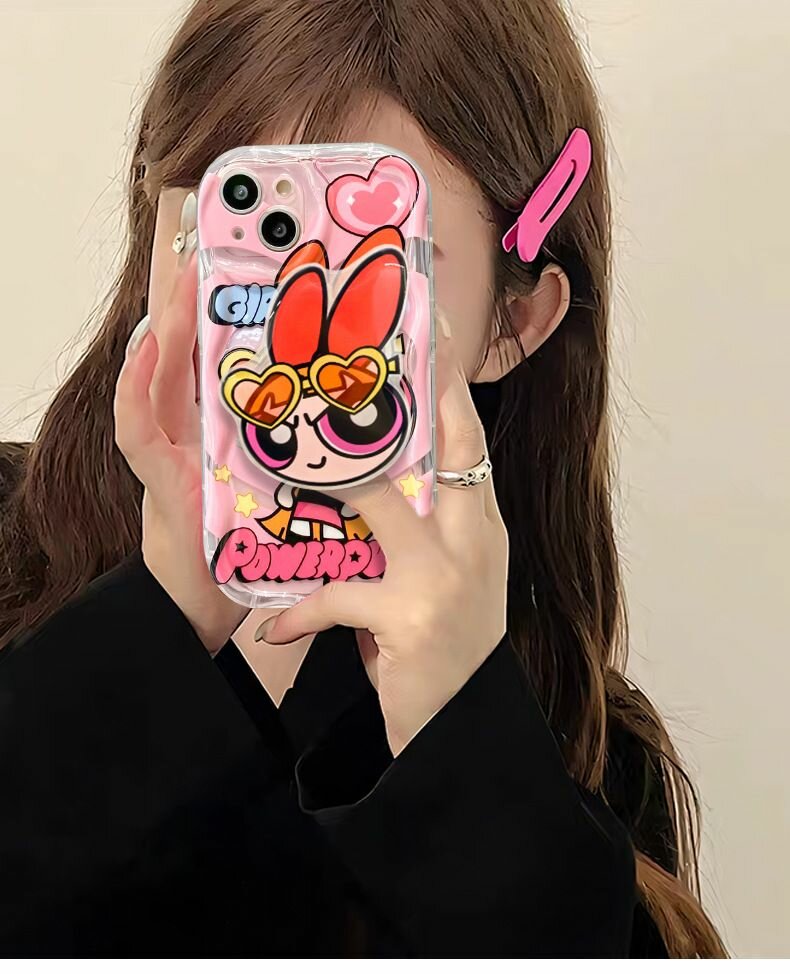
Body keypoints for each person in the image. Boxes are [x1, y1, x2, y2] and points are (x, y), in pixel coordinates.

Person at [0, 0, 725, 959]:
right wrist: (154, 626)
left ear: (514, 323)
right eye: (237, 228)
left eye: (377, 262)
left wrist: (458, 734)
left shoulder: (581, 753)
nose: (284, 317)